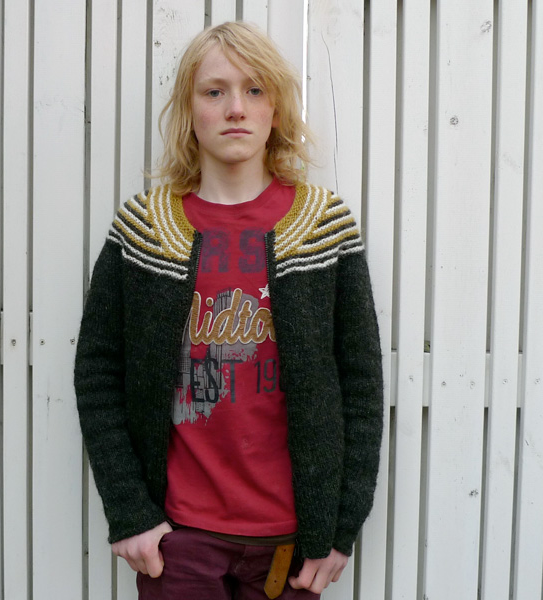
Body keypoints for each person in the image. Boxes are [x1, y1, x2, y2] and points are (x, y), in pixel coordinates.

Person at [74, 21, 383, 600]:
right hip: (179, 541)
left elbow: (360, 383)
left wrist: (340, 528)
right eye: (214, 91)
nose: (236, 108)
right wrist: (130, 512)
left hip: (294, 544)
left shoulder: (324, 227)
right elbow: (98, 372)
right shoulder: (144, 229)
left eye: (254, 90)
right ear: (189, 110)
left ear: (276, 109)